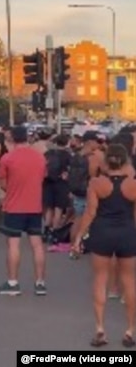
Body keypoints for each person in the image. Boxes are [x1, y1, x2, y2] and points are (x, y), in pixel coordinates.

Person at [71, 144, 136, 348]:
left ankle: (100, 329)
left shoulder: (97, 183)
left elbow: (90, 213)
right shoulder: (133, 185)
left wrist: (78, 238)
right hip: (127, 233)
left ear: (106, 161)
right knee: (129, 280)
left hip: (102, 233)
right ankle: (130, 331)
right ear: (126, 161)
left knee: (100, 279)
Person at [0, 126, 48, 296]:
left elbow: (2, 183)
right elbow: (42, 177)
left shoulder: (7, 158)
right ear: (28, 138)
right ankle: (40, 282)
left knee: (13, 243)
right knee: (37, 244)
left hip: (14, 206)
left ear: (12, 139)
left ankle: (13, 283)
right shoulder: (40, 158)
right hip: (35, 206)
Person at [43, 134, 73, 251]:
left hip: (48, 182)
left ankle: (46, 230)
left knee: (49, 208)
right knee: (58, 209)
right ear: (66, 142)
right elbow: (71, 170)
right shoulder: (68, 155)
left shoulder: (48, 153)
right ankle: (55, 232)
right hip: (61, 183)